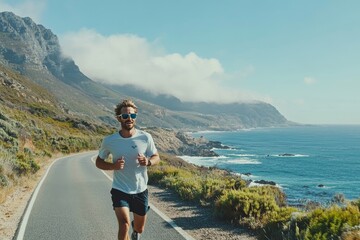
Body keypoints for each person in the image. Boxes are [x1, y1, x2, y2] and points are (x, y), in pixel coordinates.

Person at [96, 99, 160, 240]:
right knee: (124, 225)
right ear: (119, 118)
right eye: (125, 116)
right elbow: (99, 162)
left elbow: (156, 156)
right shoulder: (109, 141)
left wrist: (148, 162)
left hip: (140, 190)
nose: (129, 118)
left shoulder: (145, 137)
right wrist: (113, 166)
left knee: (139, 228)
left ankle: (135, 232)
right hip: (120, 190)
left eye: (132, 115)